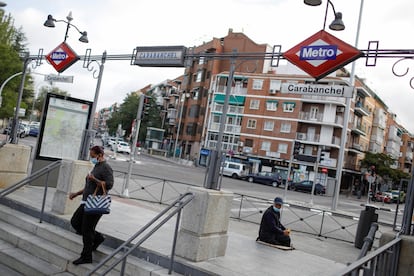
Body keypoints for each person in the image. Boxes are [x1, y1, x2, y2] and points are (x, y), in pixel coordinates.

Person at [69, 145, 114, 265]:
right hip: (86, 201)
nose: (91, 158)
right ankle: (98, 238)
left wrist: (94, 179)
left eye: (93, 156)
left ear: (99, 155)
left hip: (95, 203)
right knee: (75, 222)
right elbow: (89, 187)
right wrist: (76, 194)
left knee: (87, 229)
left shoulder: (106, 167)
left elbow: (109, 184)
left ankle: (86, 256)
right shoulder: (97, 166)